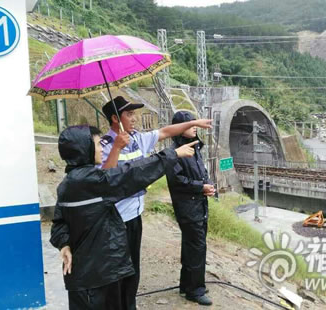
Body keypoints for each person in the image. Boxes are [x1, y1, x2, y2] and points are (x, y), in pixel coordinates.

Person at [50, 125, 198, 310]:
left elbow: (58, 223)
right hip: (100, 275)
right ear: (84, 149)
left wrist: (64, 243)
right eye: (97, 144)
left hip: (82, 275)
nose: (102, 148)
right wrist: (173, 154)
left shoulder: (67, 184)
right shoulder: (95, 182)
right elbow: (134, 172)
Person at [99, 96, 212, 309]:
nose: (134, 118)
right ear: (115, 118)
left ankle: (129, 304)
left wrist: (193, 123)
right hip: (115, 218)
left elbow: (166, 131)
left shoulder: (138, 139)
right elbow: (104, 180)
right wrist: (116, 148)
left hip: (134, 215)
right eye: (129, 114)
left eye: (134, 114)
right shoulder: (104, 144)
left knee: (133, 267)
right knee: (117, 269)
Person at [166, 111, 216, 306]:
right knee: (197, 247)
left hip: (198, 204)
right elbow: (176, 181)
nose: (195, 126)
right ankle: (196, 290)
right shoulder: (175, 152)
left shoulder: (195, 148)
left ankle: (187, 284)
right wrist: (199, 187)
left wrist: (208, 185)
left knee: (191, 246)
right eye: (190, 124)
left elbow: (201, 173)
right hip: (188, 207)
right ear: (179, 129)